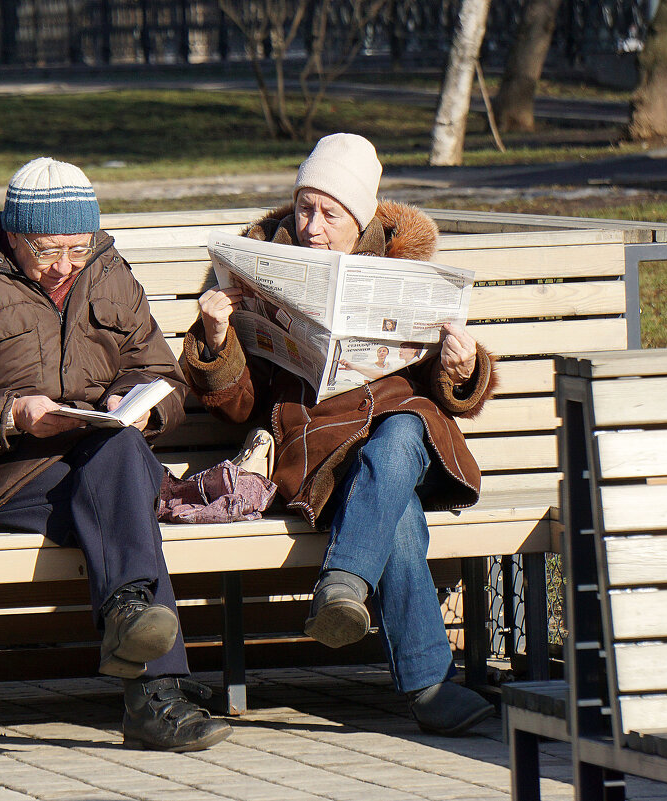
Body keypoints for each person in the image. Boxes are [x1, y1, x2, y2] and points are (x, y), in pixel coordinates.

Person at [0, 157, 231, 752]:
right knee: (121, 496)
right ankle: (153, 686)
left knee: (118, 446)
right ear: (14, 236)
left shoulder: (110, 274)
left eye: (77, 247)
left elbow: (161, 377)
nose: (64, 266)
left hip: (103, 464)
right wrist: (13, 413)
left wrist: (145, 405)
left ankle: (130, 616)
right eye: (47, 250)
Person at [181, 133, 497, 737]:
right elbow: (238, 409)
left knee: (403, 430)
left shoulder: (404, 267)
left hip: (409, 442)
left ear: (362, 219)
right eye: (304, 207)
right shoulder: (259, 266)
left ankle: (342, 581)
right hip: (325, 457)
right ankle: (429, 686)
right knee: (394, 508)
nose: (312, 227)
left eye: (330, 214)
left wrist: (460, 368)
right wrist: (218, 342)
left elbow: (447, 385)